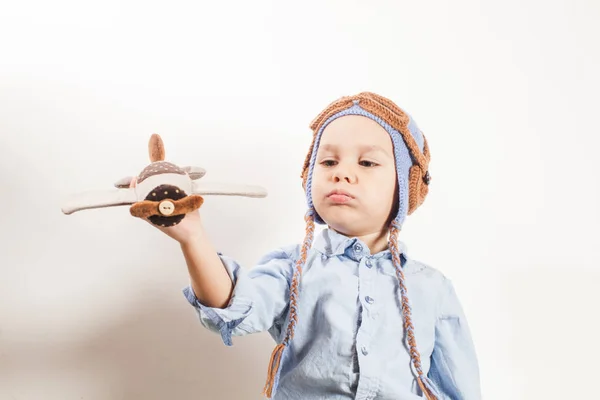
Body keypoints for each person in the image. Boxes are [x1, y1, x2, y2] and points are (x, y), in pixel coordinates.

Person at [136, 92, 481, 399]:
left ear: (406, 187)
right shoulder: (291, 269)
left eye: (367, 162)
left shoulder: (433, 288)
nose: (341, 173)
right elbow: (232, 305)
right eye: (329, 161)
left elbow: (457, 384)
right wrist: (193, 237)